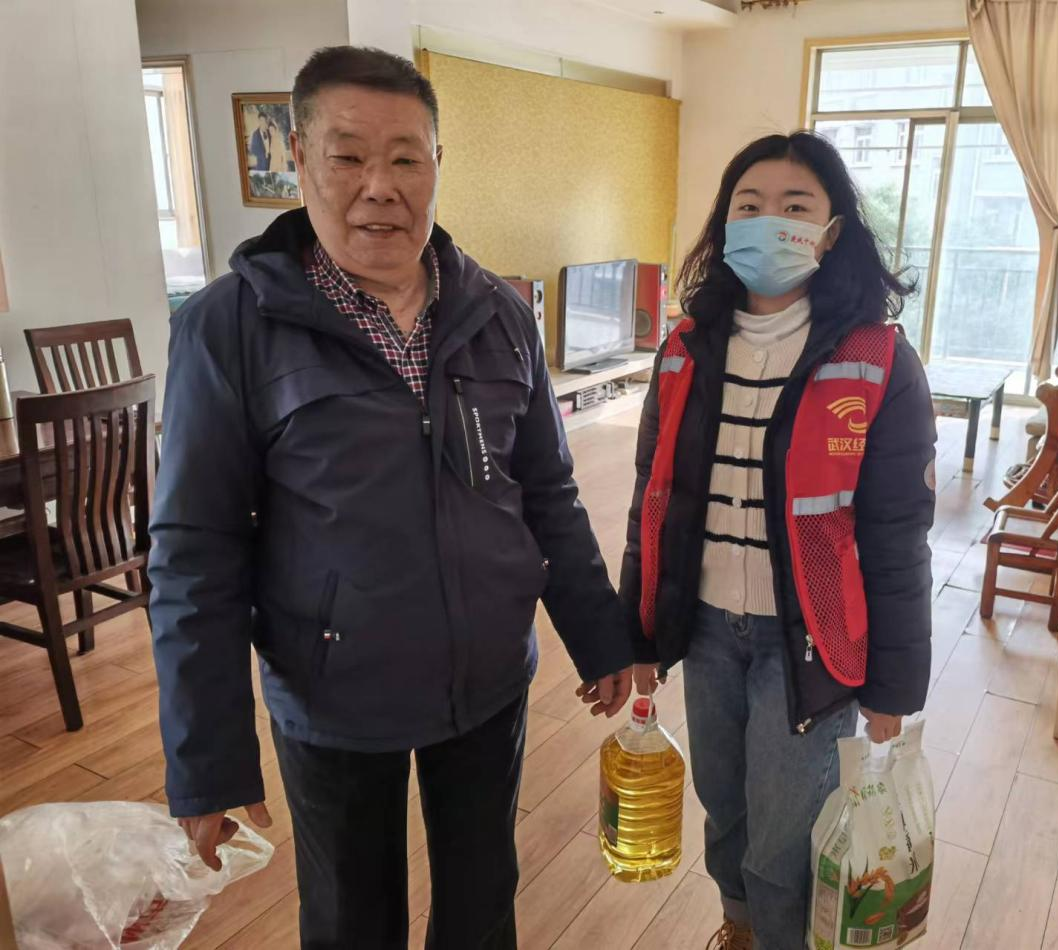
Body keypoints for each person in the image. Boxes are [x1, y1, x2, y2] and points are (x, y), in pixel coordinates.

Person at [149, 45, 634, 949]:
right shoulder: (227, 326)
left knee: (482, 904)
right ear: (299, 159)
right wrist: (207, 758)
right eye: (347, 156)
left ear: (438, 164)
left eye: (406, 158)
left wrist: (600, 637)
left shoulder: (499, 311)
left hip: (488, 678)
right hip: (333, 692)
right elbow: (194, 549)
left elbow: (547, 494)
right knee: (350, 922)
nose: (380, 187)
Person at [619, 131, 936, 950]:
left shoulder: (876, 360)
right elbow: (652, 500)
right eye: (748, 206)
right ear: (725, 224)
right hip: (706, 632)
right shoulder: (684, 350)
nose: (769, 222)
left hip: (807, 644)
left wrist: (893, 687)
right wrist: (638, 634)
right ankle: (739, 930)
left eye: (794, 207)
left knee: (783, 840)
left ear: (830, 233)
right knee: (724, 809)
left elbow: (898, 538)